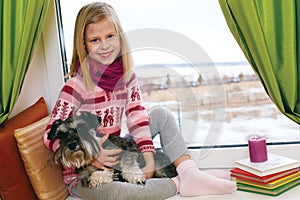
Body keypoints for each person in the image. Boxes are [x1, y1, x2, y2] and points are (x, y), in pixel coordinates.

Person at [44, 2, 237, 199]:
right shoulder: (75, 86)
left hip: (117, 151)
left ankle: (189, 172)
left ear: (120, 37)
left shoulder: (127, 77)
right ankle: (180, 182)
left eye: (110, 36)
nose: (105, 45)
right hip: (84, 173)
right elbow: (49, 135)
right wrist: (93, 155)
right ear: (83, 45)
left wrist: (147, 155)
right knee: (120, 194)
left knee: (161, 114)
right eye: (95, 40)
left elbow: (137, 116)